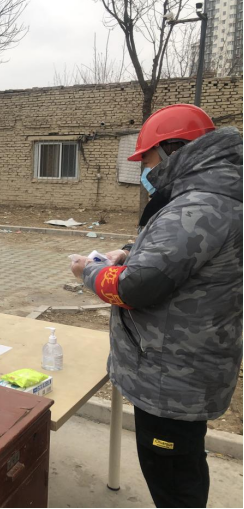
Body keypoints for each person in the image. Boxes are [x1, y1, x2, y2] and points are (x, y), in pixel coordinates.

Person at [70, 104, 243, 508]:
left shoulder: (198, 206)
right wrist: (130, 252)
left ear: (172, 149)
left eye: (147, 160)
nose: (146, 170)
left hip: (172, 376)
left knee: (172, 480)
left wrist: (88, 271)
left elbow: (135, 287)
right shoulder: (219, 196)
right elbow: (185, 258)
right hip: (191, 363)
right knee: (185, 465)